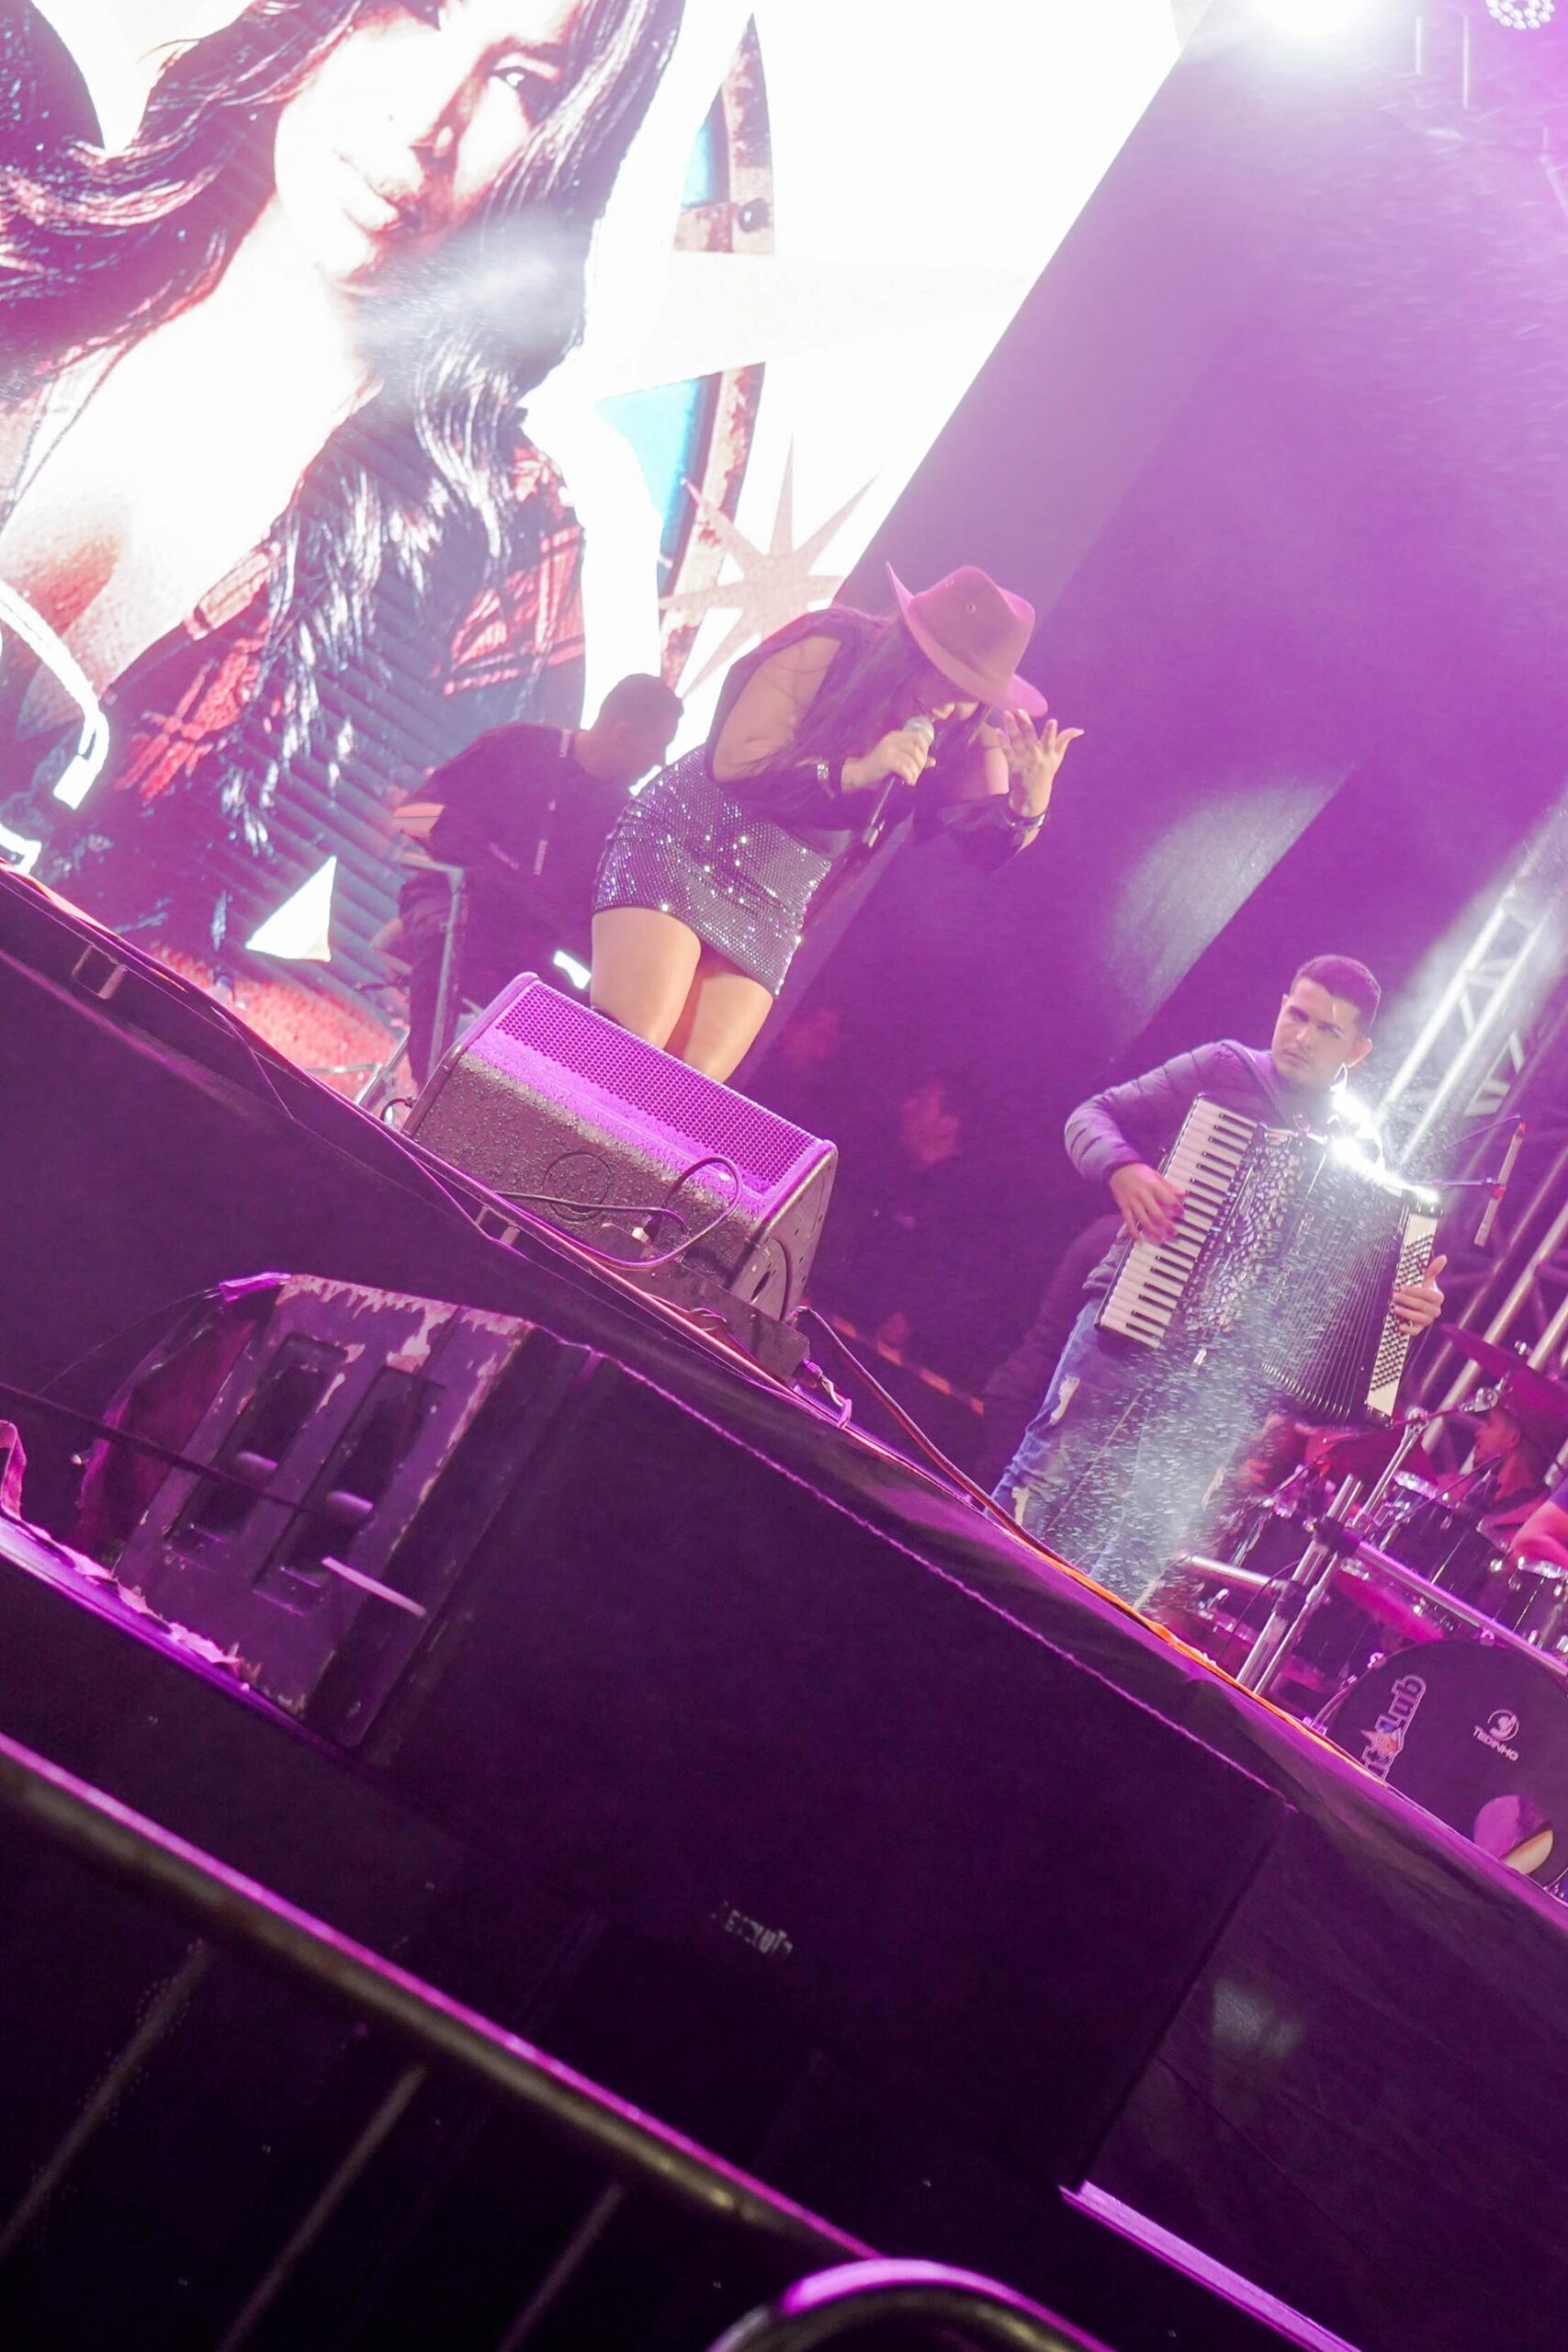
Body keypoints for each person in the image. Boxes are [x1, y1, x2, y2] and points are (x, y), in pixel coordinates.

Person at [0, 0, 684, 959]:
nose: (428, 119)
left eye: (521, 83)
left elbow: (422, 980)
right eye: (419, 8)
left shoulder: (492, 547)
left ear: (564, 158)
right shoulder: (31, 235)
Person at [994, 956, 1449, 1601]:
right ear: (1281, 1005)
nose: (1301, 1037)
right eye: (1296, 1015)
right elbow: (1091, 1115)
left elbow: (1354, 1290)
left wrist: (1409, 1308)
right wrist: (1122, 1169)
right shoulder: (1224, 1067)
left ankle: (1068, 1643)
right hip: (1136, 1309)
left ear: (1358, 1050)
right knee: (1042, 1478)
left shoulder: (1361, 1147)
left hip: (1227, 1379)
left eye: (1326, 1030)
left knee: (1148, 1537)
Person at [590, 565, 1083, 1081]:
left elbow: (981, 844)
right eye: (947, 675)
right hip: (689, 841)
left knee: (683, 1087)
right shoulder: (831, 645)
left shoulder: (970, 733)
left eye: (972, 691)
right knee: (634, 1042)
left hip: (775, 900)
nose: (952, 704)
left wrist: (1028, 806)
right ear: (913, 647)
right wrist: (853, 773)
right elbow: (735, 761)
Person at [392, 671, 681, 1080]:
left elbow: (594, 929)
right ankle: (428, 1091)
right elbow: (412, 814)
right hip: (448, 899)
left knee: (589, 1035)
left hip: (520, 948)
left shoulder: (625, 823)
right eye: (658, 745)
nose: (660, 761)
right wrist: (480, 859)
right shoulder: (517, 745)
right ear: (623, 733)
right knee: (449, 939)